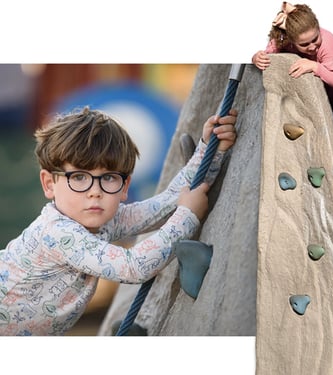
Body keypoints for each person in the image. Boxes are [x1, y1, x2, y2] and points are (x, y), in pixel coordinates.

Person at [0, 106, 237, 335]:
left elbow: (165, 205)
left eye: (109, 178)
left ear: (124, 186)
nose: (95, 191)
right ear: (49, 184)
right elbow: (134, 267)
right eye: (79, 177)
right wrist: (187, 217)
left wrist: (210, 150)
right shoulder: (59, 233)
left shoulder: (102, 220)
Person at [252, 2, 333, 221]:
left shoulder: (328, 44)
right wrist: (257, 57)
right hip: (318, 100)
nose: (313, 46)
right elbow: (269, 56)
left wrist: (314, 66)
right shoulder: (284, 40)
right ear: (292, 41)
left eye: (315, 39)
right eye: (305, 45)